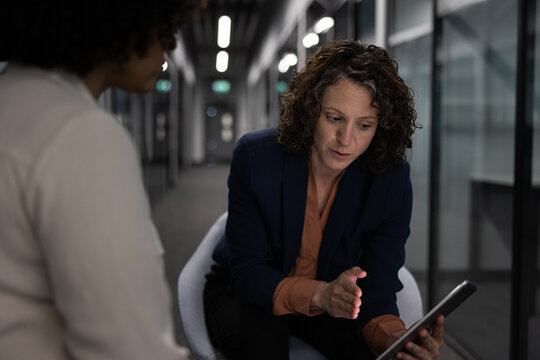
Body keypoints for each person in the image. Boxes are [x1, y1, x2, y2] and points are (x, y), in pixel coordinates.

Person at [203, 40, 445, 360]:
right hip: (250, 292)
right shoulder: (256, 157)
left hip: (334, 301)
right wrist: (320, 294)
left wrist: (397, 341)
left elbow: (377, 287)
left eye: (364, 125)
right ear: (311, 109)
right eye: (334, 118)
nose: (346, 140)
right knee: (262, 346)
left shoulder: (389, 178)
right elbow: (248, 273)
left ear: (380, 127)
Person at [0, 1, 204, 359]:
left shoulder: (14, 99)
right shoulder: (79, 134)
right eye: (164, 23)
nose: (171, 43)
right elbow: (129, 349)